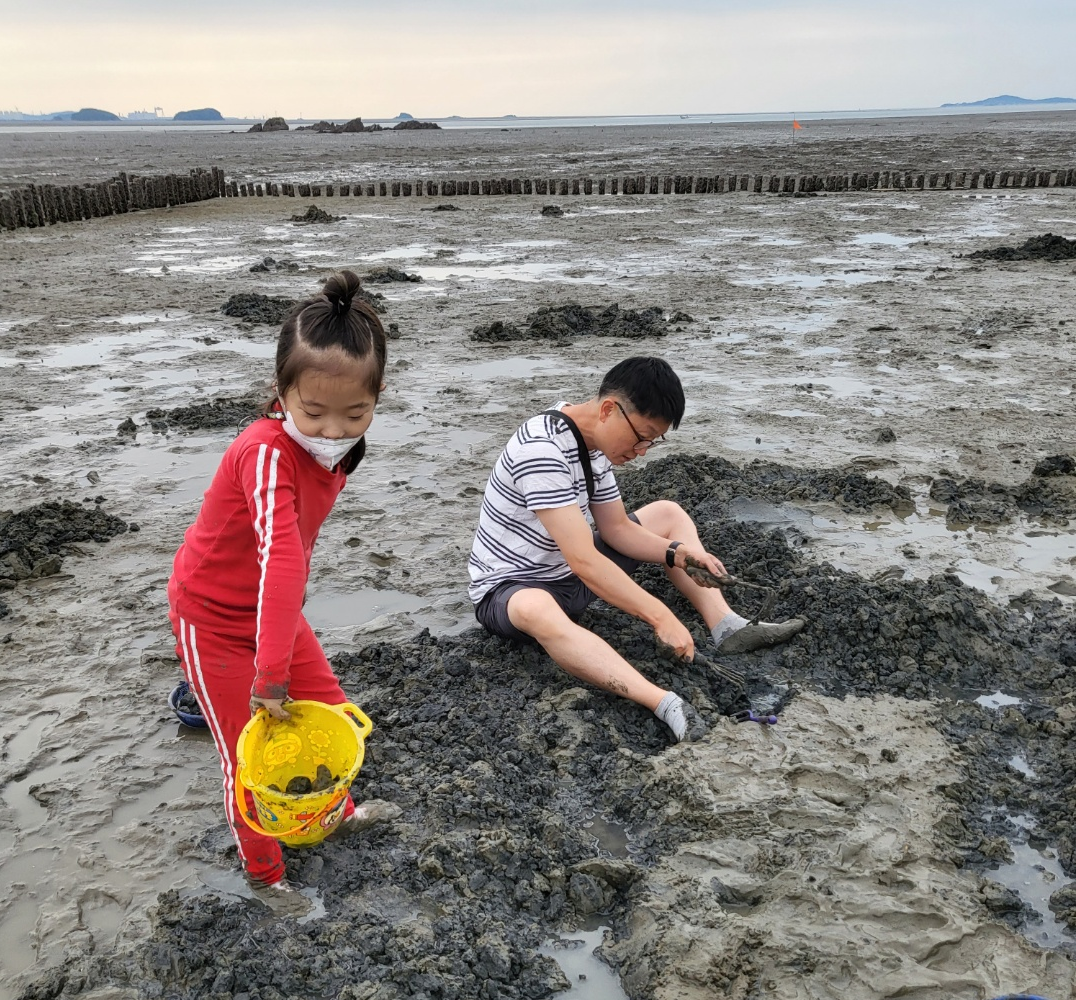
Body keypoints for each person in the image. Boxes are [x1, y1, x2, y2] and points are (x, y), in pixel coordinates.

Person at [168, 270, 395, 905]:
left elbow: (285, 576)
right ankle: (266, 877)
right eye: (314, 413)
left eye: (356, 413)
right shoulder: (266, 452)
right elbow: (282, 558)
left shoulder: (337, 449)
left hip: (274, 613)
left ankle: (337, 812)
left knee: (333, 712)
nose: (332, 431)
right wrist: (269, 676)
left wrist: (280, 654)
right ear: (280, 394)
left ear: (377, 397)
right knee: (247, 758)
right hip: (212, 617)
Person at [468, 356, 805, 741]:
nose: (642, 451)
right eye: (641, 437)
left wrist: (677, 553)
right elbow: (584, 560)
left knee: (668, 514)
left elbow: (616, 529)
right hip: (512, 590)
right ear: (609, 409)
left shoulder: (592, 443)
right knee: (537, 607)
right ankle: (664, 702)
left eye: (652, 442)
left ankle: (726, 626)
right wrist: (660, 617)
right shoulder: (541, 450)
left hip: (567, 575)